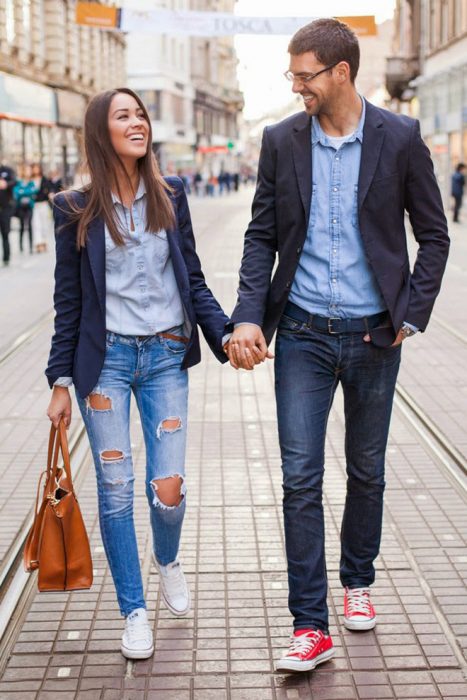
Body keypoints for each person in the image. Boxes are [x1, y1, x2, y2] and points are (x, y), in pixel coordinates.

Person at [226, 18, 449, 673]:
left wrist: (411, 311)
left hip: (373, 334)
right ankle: (308, 624)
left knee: (366, 471)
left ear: (340, 73)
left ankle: (357, 582)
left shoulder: (399, 138)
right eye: (293, 76)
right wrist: (247, 316)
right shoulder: (281, 141)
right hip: (298, 333)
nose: (296, 86)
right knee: (299, 478)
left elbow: (433, 236)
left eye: (304, 76)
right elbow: (259, 235)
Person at [45, 88, 231, 661]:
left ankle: (167, 559)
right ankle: (134, 610)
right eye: (123, 115)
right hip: (107, 365)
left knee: (167, 489)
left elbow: (192, 278)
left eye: (140, 114)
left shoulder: (171, 194)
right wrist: (59, 381)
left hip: (166, 355)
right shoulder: (75, 207)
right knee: (118, 488)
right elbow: (68, 300)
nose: (137, 122)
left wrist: (224, 334)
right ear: (101, 131)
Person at [13, 164, 37, 254]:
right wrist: (26, 192)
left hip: (29, 207)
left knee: (30, 226)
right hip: (20, 208)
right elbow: (16, 192)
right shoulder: (18, 182)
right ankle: (21, 246)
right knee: (22, 226)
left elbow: (33, 191)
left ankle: (31, 247)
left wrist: (22, 191)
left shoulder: (31, 182)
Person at [31, 163, 53, 252]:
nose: (35, 170)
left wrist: (51, 195)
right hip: (34, 205)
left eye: (37, 168)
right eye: (34, 168)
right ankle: (38, 243)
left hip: (43, 204)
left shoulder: (44, 179)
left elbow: (49, 190)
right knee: (36, 225)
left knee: (45, 224)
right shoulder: (30, 180)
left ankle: (44, 242)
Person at [0, 162, 16, 266]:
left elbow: (15, 181)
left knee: (5, 233)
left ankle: (6, 257)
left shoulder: (7, 170)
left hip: (5, 208)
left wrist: (6, 184)